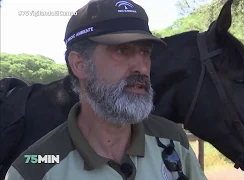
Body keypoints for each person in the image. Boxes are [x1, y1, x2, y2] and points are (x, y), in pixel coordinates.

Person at [5, 0, 207, 180]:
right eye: (122, 50)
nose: (142, 67)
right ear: (80, 65)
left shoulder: (173, 139)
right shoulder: (33, 170)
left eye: (145, 52)